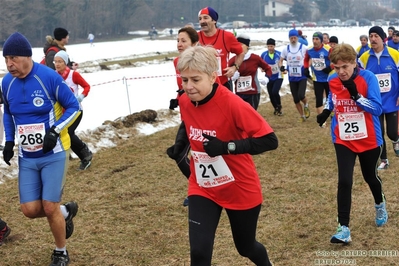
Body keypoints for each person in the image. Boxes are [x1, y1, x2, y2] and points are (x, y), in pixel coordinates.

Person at [172, 45, 277, 265]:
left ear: (212, 77)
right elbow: (190, 121)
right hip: (203, 186)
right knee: (199, 253)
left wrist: (227, 147)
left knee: (245, 247)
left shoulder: (232, 103)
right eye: (184, 80)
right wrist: (180, 143)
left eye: (195, 80)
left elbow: (269, 140)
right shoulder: (184, 100)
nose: (189, 87)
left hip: (239, 186)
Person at [1, 32, 80, 265]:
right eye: (6, 59)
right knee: (29, 209)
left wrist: (54, 131)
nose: (9, 64)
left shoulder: (48, 77)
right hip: (27, 156)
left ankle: (60, 251)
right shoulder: (7, 82)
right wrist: (8, 141)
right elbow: (8, 112)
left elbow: (73, 107)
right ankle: (65, 212)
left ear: (27, 56)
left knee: (48, 205)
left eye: (13, 58)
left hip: (53, 153)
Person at [316, 43, 388, 244]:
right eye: (337, 68)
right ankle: (343, 228)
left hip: (369, 139)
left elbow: (377, 108)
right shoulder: (332, 79)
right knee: (345, 181)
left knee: (370, 177)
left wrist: (357, 96)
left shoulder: (368, 78)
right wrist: (326, 111)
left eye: (345, 67)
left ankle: (379, 203)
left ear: (354, 63)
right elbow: (333, 97)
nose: (341, 72)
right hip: (343, 138)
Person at [358, 26, 399, 170]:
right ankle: (384, 160)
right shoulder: (364, 57)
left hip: (392, 99)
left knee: (392, 132)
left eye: (376, 36)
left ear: (383, 38)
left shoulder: (395, 54)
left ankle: (396, 140)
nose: (373, 39)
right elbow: (359, 77)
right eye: (371, 36)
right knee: (378, 131)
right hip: (375, 101)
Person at [167, 26, 199, 207]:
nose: (179, 44)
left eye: (183, 40)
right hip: (187, 116)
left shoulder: (202, 62)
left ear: (194, 44)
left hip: (204, 117)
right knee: (178, 153)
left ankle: (201, 191)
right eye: (178, 40)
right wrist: (178, 97)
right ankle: (198, 188)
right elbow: (184, 86)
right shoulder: (177, 62)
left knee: (204, 154)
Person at [54, 50, 93, 170]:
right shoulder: (53, 76)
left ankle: (85, 154)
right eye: (55, 61)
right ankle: (84, 156)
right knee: (65, 134)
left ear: (65, 62)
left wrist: (81, 97)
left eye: (60, 61)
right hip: (62, 113)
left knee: (68, 133)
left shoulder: (73, 75)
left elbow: (87, 86)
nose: (57, 64)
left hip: (76, 111)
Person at [197, 6, 245, 91]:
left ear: (214, 20)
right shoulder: (195, 38)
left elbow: (241, 53)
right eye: (200, 19)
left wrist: (234, 67)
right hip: (202, 84)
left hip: (223, 83)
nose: (202, 21)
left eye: (205, 18)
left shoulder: (226, 36)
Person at [229, 34, 272, 110]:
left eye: (241, 44)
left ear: (247, 46)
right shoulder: (233, 60)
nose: (239, 46)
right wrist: (232, 76)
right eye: (237, 45)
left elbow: (268, 69)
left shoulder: (255, 58)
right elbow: (224, 74)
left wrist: (267, 78)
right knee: (241, 115)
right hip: (239, 93)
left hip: (253, 92)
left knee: (251, 114)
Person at [279, 29, 310, 122]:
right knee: (296, 99)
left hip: (302, 76)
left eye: (294, 37)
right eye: (291, 38)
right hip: (292, 77)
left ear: (297, 37)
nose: (293, 39)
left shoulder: (303, 47)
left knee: (301, 95)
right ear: (289, 38)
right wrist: (282, 68)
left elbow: (309, 59)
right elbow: (280, 61)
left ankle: (306, 104)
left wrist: (307, 67)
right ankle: (302, 116)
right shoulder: (286, 49)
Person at [304, 32, 332, 118]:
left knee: (329, 99)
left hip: (328, 78)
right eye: (313, 39)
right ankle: (321, 118)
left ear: (321, 40)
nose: (314, 41)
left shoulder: (328, 49)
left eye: (317, 39)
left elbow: (334, 60)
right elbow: (306, 60)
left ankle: (331, 114)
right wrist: (305, 68)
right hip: (317, 78)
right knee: (319, 99)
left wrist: (330, 68)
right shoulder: (309, 50)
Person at [261, 38, 285, 115]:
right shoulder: (264, 55)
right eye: (268, 46)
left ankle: (279, 106)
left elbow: (284, 62)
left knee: (275, 91)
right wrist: (262, 68)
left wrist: (284, 69)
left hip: (278, 76)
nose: (270, 48)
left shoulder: (279, 54)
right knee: (270, 94)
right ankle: (276, 108)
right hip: (268, 77)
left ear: (274, 46)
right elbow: (260, 63)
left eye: (271, 46)